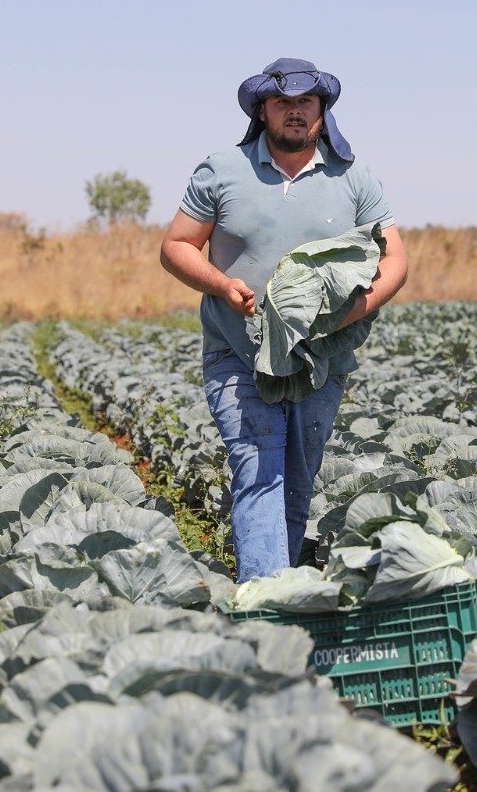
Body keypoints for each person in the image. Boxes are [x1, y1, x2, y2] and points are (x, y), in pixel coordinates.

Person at [159, 58, 408, 582]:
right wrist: (222, 285)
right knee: (259, 466)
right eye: (282, 103)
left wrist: (352, 313)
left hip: (321, 358)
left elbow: (396, 262)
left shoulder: (354, 176)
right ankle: (265, 600)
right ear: (263, 111)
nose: (294, 112)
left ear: (322, 111)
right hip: (238, 353)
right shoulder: (223, 169)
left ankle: (284, 591)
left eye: (305, 103)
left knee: (297, 477)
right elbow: (176, 246)